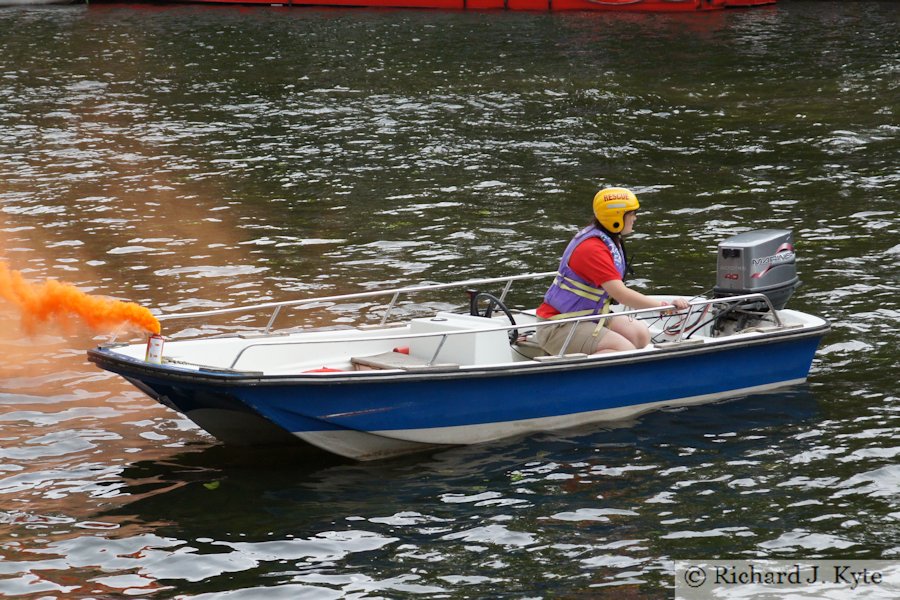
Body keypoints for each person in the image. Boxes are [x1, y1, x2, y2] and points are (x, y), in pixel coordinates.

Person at [535, 187, 690, 355]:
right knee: (623, 350)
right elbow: (620, 294)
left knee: (639, 335)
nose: (635, 218)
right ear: (616, 217)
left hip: (588, 315)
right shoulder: (593, 248)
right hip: (559, 325)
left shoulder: (606, 239)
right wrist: (663, 306)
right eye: (631, 214)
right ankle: (581, 377)